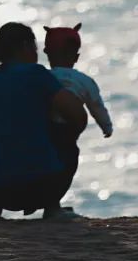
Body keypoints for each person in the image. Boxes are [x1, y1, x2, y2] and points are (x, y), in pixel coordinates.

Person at [0, 22, 87, 220]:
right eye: (34, 46)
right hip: (41, 188)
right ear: (25, 46)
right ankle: (53, 208)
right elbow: (78, 116)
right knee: (64, 140)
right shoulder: (37, 74)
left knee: (2, 139)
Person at [44, 23, 113, 189]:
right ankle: (53, 204)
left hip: (44, 129)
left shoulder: (43, 77)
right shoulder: (84, 81)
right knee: (67, 163)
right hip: (67, 131)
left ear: (47, 53)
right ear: (76, 57)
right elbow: (96, 106)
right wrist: (106, 126)